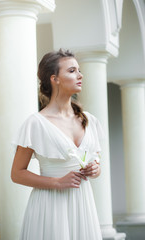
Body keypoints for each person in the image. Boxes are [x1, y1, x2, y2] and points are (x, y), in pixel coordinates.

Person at [11, 49, 104, 240]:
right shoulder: (35, 123)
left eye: (79, 70)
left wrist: (95, 169)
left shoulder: (90, 120)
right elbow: (17, 173)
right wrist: (56, 182)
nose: (80, 75)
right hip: (49, 206)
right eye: (72, 70)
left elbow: (97, 162)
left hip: (83, 205)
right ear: (55, 79)